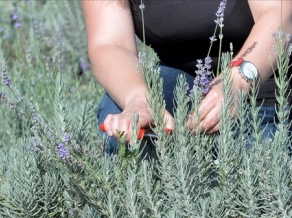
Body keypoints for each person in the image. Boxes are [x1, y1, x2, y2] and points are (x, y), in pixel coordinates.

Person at [82, 0, 292, 153]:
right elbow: (109, 43)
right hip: (183, 85)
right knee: (123, 121)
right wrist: (138, 98)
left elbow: (281, 15)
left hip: (267, 91)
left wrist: (236, 81)